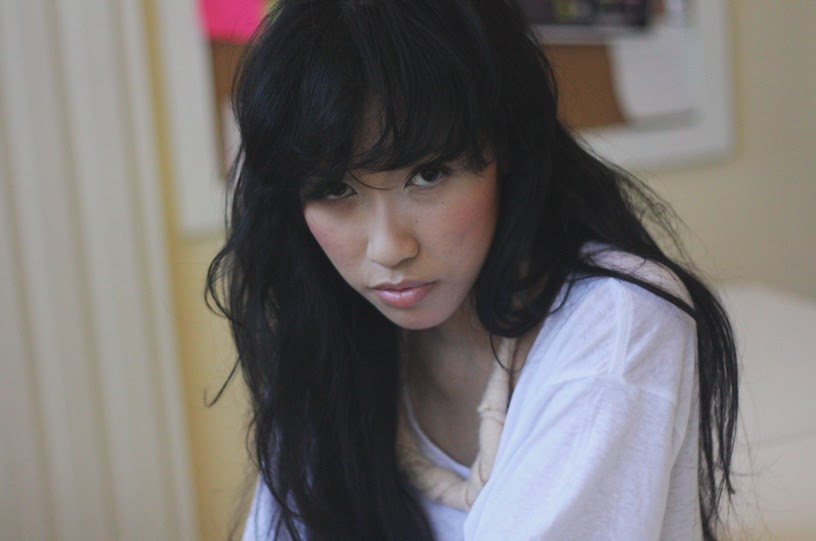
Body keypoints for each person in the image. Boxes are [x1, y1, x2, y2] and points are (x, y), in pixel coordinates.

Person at [206, 1, 738, 539]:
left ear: (506, 144)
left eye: (428, 175)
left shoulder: (621, 323)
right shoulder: (329, 341)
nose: (389, 248)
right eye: (334, 190)